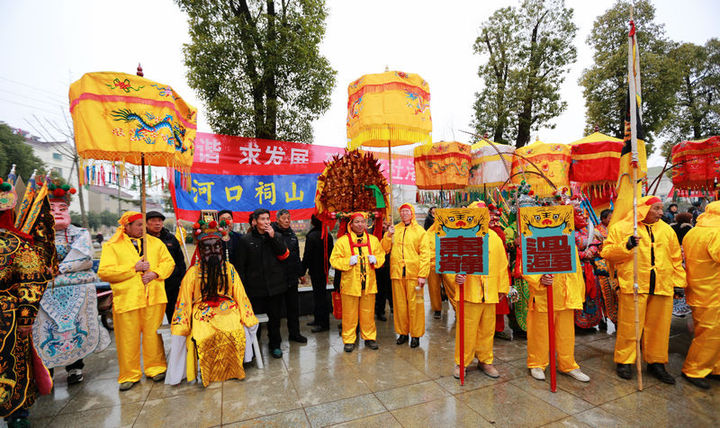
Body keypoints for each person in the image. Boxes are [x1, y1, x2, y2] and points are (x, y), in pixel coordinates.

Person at [601, 195, 686, 384]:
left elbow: (675, 258)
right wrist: (627, 245)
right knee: (630, 326)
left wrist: (679, 282)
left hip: (662, 285)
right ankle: (624, 361)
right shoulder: (622, 228)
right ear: (643, 209)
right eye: (656, 208)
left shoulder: (667, 230)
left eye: (661, 208)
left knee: (659, 328)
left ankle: (656, 363)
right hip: (634, 285)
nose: (661, 212)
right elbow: (606, 253)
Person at [33, 184, 110, 386]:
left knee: (75, 328)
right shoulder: (34, 235)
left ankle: (75, 368)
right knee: (46, 331)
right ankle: (45, 370)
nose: (57, 213)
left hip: (75, 293)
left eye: (62, 209)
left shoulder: (79, 233)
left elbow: (84, 258)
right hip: (44, 296)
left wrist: (58, 270)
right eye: (52, 209)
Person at [168, 215, 258, 386]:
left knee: (234, 329)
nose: (213, 251)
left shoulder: (230, 269)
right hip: (202, 309)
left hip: (227, 306)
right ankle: (208, 371)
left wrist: (247, 316)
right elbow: (184, 302)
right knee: (203, 334)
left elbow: (240, 294)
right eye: (207, 248)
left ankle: (233, 368)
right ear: (200, 250)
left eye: (217, 247)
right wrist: (182, 324)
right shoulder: (193, 273)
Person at [97, 211, 175, 391]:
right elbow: (105, 272)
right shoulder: (112, 246)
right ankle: (129, 374)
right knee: (127, 338)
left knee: (152, 335)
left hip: (153, 297)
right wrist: (134, 268)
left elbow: (168, 263)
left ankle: (156, 367)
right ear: (127, 226)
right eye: (139, 225)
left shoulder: (155, 243)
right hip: (127, 299)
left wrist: (155, 273)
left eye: (143, 224)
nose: (143, 228)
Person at [0, 179, 52, 427]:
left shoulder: (15, 243)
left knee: (12, 365)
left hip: (7, 317)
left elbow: (32, 280)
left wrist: (25, 317)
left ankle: (17, 414)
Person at [447, 204, 510, 380]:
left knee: (487, 330)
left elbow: (502, 265)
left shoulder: (495, 238)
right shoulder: (461, 237)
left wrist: (502, 288)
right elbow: (450, 262)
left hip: (490, 293)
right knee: (466, 330)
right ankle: (462, 362)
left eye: (485, 214)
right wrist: (455, 277)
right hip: (469, 291)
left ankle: (485, 360)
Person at [237, 208, 290, 359]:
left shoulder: (276, 235)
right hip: (255, 289)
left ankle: (275, 346)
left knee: (275, 319)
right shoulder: (245, 240)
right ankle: (254, 348)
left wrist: (273, 238)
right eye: (262, 219)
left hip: (275, 286)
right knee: (255, 321)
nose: (266, 222)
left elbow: (284, 255)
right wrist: (243, 289)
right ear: (255, 222)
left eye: (268, 219)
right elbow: (241, 267)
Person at [329, 212, 386, 352]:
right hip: (350, 284)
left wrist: (377, 260)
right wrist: (347, 262)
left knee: (368, 313)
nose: (360, 224)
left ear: (366, 224)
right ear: (351, 224)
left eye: (362, 222)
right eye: (357, 222)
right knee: (349, 314)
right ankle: (349, 339)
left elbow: (381, 256)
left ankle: (369, 337)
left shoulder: (373, 240)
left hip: (368, 284)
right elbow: (334, 260)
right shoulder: (343, 241)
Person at [681, 201, 720, 389]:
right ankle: (694, 369)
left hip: (698, 289)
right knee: (710, 333)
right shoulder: (716, 232)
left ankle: (714, 367)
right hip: (713, 292)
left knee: (707, 331)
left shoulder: (694, 231)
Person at [382, 204, 431, 348]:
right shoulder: (394, 230)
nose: (404, 214)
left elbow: (425, 255)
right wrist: (388, 235)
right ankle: (403, 333)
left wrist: (422, 275)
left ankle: (415, 335)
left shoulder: (420, 232)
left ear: (412, 213)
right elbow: (384, 249)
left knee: (416, 305)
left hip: (414, 275)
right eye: (401, 211)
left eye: (406, 211)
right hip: (397, 274)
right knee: (400, 306)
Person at [145, 210, 187, 324]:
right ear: (146, 223)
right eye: (153, 221)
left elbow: (180, 261)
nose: (157, 223)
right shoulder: (142, 240)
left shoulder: (170, 238)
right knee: (152, 322)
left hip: (171, 286)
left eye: (159, 221)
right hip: (152, 286)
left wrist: (182, 280)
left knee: (174, 318)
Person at [272, 209, 307, 343]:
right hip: (277, 278)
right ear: (277, 220)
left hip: (292, 277)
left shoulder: (292, 235)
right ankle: (275, 340)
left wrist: (301, 274)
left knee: (293, 308)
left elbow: (296, 256)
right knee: (275, 311)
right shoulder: (272, 234)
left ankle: (295, 333)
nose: (287, 220)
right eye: (284, 218)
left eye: (289, 218)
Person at [303, 214, 333, 332]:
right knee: (320, 295)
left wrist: (302, 270)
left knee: (320, 296)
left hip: (316, 270)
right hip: (324, 269)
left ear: (313, 222)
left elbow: (307, 256)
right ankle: (318, 319)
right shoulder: (328, 235)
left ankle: (323, 324)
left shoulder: (311, 236)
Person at [374, 220, 392, 321]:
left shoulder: (391, 233)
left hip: (387, 265)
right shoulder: (372, 233)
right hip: (375, 266)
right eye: (383, 224)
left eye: (387, 224)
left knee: (384, 290)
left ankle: (381, 311)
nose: (385, 226)